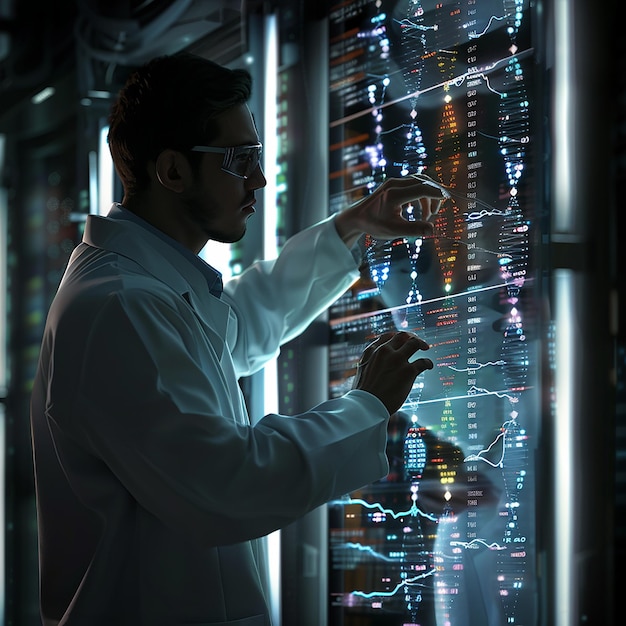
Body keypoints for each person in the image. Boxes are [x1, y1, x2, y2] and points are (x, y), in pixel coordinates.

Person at [29, 52, 443, 626]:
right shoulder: (119, 306)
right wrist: (365, 405)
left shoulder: (150, 289)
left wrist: (352, 225)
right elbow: (227, 483)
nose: (259, 179)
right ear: (171, 171)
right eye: (239, 159)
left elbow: (239, 325)